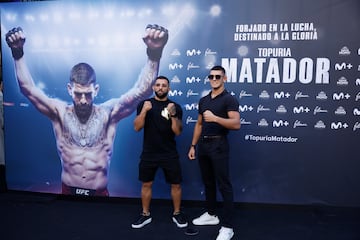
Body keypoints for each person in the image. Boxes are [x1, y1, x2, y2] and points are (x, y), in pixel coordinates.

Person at [5, 24, 168, 196]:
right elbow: (27, 89)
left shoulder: (109, 113)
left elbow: (143, 91)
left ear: (96, 90)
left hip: (99, 192)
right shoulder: (59, 113)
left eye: (88, 94)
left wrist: (154, 54)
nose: (83, 100)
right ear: (69, 89)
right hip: (68, 191)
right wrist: (17, 54)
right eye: (78, 94)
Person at [188, 65, 240, 240]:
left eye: (218, 76)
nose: (214, 79)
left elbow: (236, 124)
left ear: (224, 78)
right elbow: (199, 124)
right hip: (203, 145)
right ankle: (211, 214)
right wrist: (193, 145)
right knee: (208, 183)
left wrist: (216, 118)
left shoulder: (229, 99)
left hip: (219, 143)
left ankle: (228, 226)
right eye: (211, 76)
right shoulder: (203, 100)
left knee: (224, 185)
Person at [131, 76, 187, 229]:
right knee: (146, 184)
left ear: (168, 88)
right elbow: (136, 127)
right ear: (153, 88)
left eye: (164, 85)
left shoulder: (175, 106)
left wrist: (173, 114)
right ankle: (145, 214)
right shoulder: (144, 104)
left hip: (169, 152)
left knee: (176, 185)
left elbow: (178, 132)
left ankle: (177, 214)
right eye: (158, 85)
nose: (161, 87)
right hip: (149, 152)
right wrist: (144, 111)